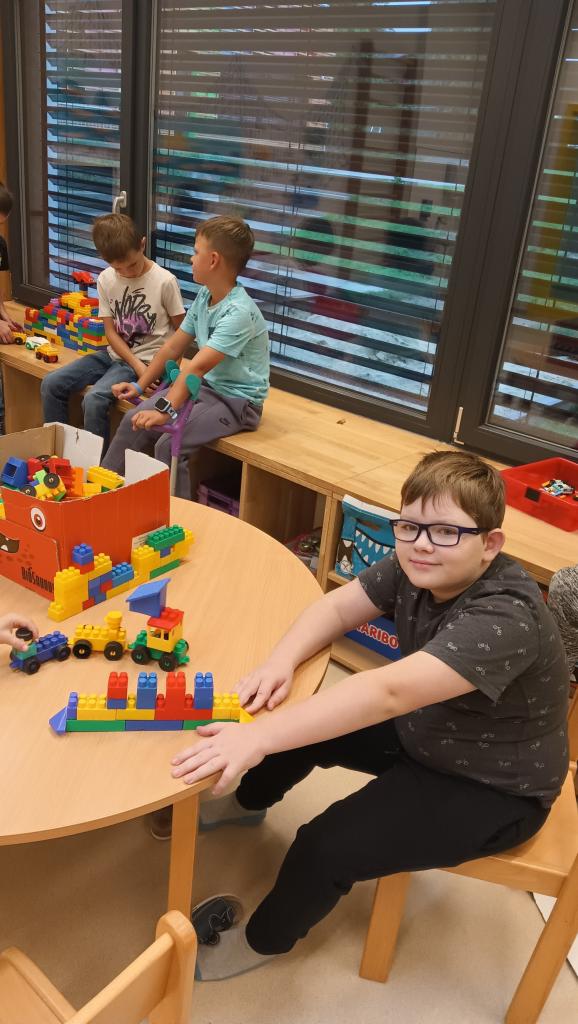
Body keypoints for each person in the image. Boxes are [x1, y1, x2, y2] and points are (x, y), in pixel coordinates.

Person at [168, 450, 569, 980]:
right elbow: (337, 607)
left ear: (490, 544)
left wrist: (256, 738)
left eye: (446, 532)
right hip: (434, 727)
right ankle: (246, 803)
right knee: (308, 725)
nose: (422, 543)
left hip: (493, 787)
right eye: (410, 526)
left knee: (324, 845)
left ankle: (262, 942)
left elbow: (389, 692)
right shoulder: (415, 565)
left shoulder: (506, 615)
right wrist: (280, 661)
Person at [101, 215, 269, 499]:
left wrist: (163, 411)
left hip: (237, 402)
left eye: (195, 251)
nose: (191, 258)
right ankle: (99, 496)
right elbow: (172, 348)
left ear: (213, 260)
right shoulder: (205, 296)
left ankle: (176, 517)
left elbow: (197, 367)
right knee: (132, 419)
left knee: (168, 443)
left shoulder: (239, 313)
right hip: (206, 388)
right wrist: (140, 386)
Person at [40, 213, 185, 445]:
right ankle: (58, 453)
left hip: (148, 362)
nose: (128, 273)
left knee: (94, 399)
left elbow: (183, 333)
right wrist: (135, 364)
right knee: (51, 383)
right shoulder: (106, 279)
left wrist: (168, 376)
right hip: (115, 355)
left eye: (133, 265)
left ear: (142, 244)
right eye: (119, 269)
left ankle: (97, 464)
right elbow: (110, 332)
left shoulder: (165, 281)